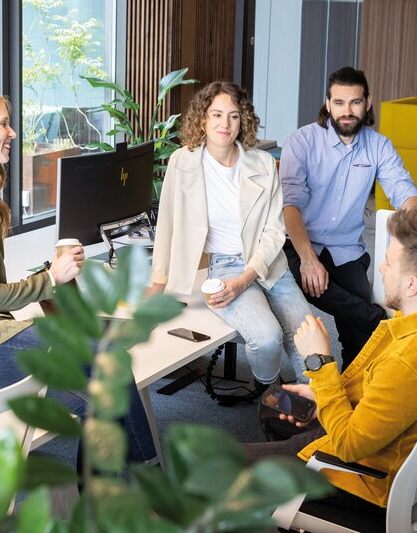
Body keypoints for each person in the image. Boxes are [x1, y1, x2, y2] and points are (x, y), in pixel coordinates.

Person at [0, 88, 155, 463]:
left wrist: (51, 278)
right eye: (3, 123)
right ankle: (150, 482)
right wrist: (52, 278)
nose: (13, 133)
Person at [243, 207, 417, 519]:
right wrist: (323, 396)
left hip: (361, 479)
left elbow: (350, 445)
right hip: (367, 440)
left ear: (412, 285)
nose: (380, 268)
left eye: (389, 263)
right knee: (274, 404)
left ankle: (287, 495)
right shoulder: (405, 328)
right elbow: (379, 398)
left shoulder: (408, 361)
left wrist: (320, 362)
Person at [148, 81, 311, 389]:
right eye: (217, 115)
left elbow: (275, 232)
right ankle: (272, 399)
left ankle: (319, 410)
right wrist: (159, 281)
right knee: (266, 338)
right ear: (203, 119)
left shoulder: (262, 163)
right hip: (224, 267)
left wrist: (247, 278)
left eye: (233, 116)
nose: (225, 124)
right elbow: (167, 222)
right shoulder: (182, 161)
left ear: (243, 120)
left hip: (269, 264)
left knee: (311, 338)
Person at [280, 66, 417, 369]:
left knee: (359, 337)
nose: (347, 111)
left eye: (355, 102)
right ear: (328, 104)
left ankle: (353, 396)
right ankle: (380, 320)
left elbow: (403, 190)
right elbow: (291, 207)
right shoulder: (301, 142)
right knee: (328, 291)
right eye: (339, 103)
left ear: (367, 103)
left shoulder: (378, 145)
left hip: (346, 249)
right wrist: (308, 259)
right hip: (298, 243)